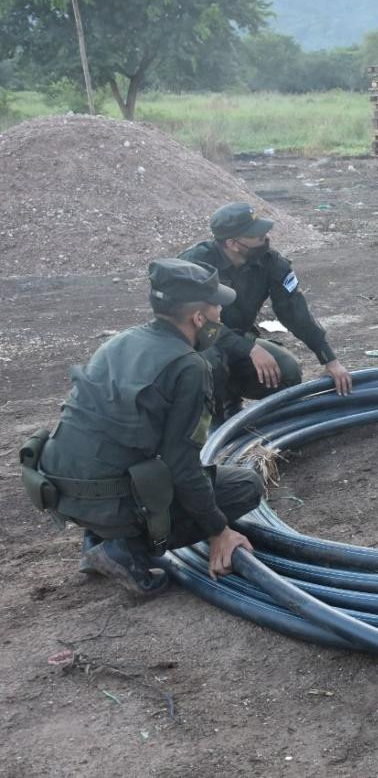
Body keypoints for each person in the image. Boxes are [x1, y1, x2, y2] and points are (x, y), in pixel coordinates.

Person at [21, 259, 263, 594]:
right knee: (245, 486)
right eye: (216, 309)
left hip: (62, 491)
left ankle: (98, 537)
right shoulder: (189, 367)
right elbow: (183, 467)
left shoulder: (121, 342)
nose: (220, 317)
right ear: (198, 318)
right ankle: (125, 550)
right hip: (107, 500)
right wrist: (219, 530)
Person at [178, 202, 351, 420]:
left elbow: (294, 312)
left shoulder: (270, 262)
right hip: (194, 343)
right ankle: (211, 418)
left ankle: (230, 400)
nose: (265, 236)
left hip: (238, 338)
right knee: (209, 362)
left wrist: (329, 359)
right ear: (233, 243)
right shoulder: (193, 266)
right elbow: (198, 325)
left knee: (287, 372)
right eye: (256, 234)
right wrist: (249, 349)